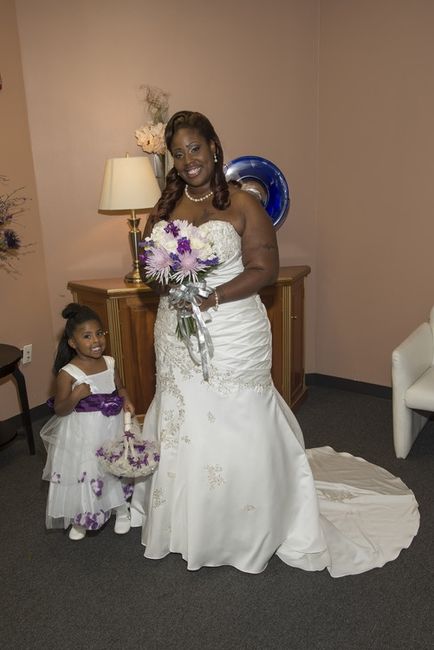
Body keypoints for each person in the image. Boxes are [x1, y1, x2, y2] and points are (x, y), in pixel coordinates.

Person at [131, 110, 419, 575]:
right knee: (182, 410)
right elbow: (150, 271)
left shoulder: (245, 203)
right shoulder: (164, 209)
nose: (188, 160)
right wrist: (172, 284)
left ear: (213, 147)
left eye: (195, 148)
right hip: (176, 329)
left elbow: (264, 270)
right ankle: (187, 517)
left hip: (231, 326)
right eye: (179, 153)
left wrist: (212, 296)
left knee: (238, 411)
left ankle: (250, 518)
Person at [40, 303, 135, 540]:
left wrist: (126, 399)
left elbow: (120, 387)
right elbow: (60, 409)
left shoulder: (110, 362)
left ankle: (121, 510)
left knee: (114, 466)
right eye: (87, 336)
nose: (96, 340)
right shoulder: (68, 373)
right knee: (87, 470)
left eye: (99, 333)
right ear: (73, 342)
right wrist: (76, 395)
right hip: (83, 433)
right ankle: (83, 515)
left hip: (111, 427)